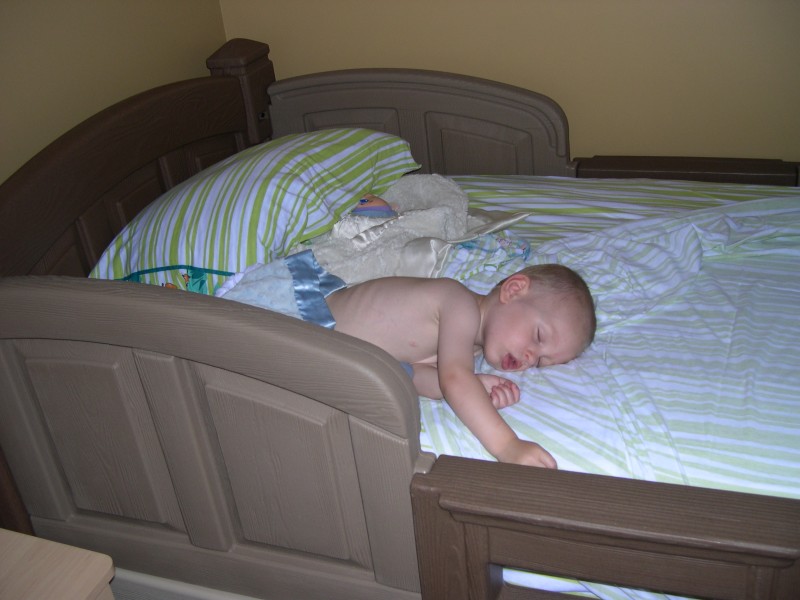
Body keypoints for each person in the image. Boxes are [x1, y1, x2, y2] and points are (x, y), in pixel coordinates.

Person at [326, 263, 595, 469]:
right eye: (538, 336)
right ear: (513, 291)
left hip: (328, 355)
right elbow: (454, 379)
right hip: (305, 322)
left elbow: (409, 373)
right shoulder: (458, 302)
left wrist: (474, 386)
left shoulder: (468, 349)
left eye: (540, 361)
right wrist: (508, 446)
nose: (529, 357)